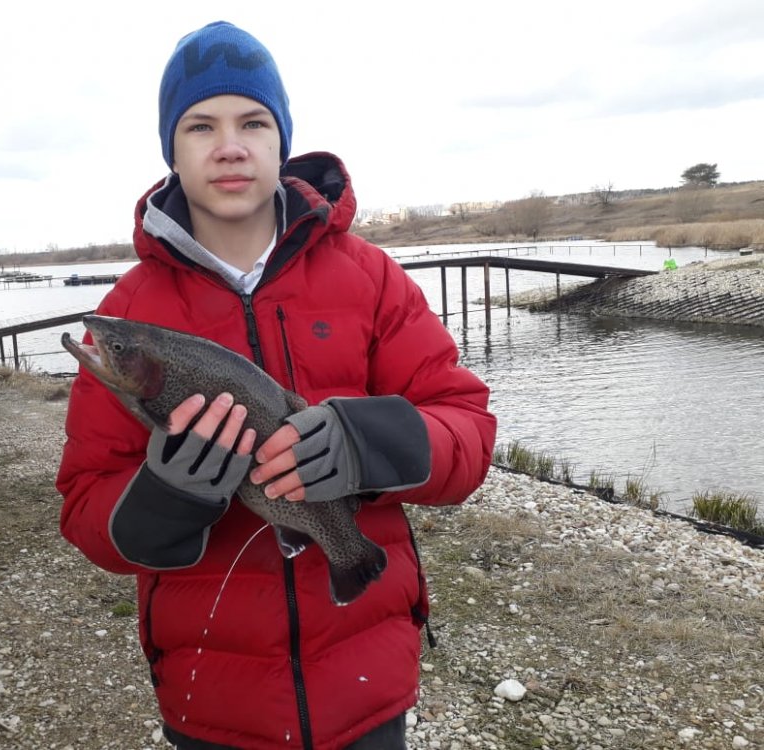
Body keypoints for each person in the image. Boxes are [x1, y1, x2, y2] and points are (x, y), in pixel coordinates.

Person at [56, 20, 497, 750]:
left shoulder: (371, 277)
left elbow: (469, 430)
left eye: (253, 122)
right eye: (200, 125)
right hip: (212, 699)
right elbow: (84, 507)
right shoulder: (130, 309)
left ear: (282, 140)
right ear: (171, 150)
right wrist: (162, 502)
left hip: (367, 679)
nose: (230, 145)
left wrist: (371, 445)